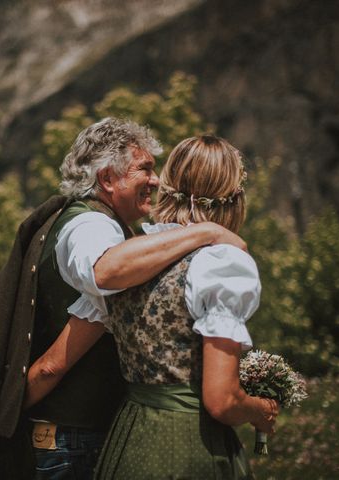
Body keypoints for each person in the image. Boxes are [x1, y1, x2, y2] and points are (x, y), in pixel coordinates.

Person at [0, 119, 249, 480]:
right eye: (145, 169)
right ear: (106, 179)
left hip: (62, 438)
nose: (157, 181)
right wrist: (207, 231)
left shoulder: (79, 218)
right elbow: (105, 273)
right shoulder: (93, 227)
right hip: (74, 442)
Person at [26, 134, 279, 479]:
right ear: (234, 199)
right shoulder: (221, 263)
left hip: (127, 440)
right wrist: (259, 408)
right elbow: (221, 401)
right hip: (189, 442)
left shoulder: (136, 258)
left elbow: (53, 363)